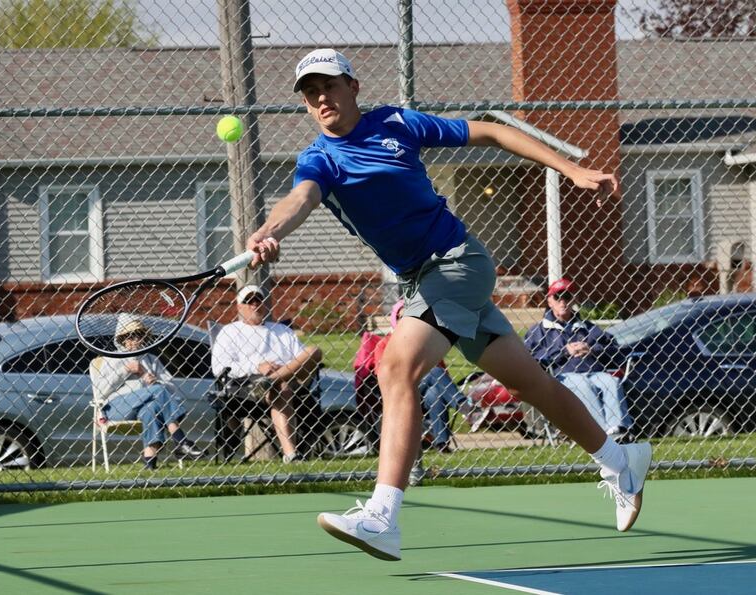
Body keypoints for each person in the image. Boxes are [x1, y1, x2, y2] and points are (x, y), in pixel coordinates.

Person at [245, 48, 652, 561]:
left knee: (396, 367)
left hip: (458, 261)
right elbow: (299, 197)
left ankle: (382, 515)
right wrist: (270, 229)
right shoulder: (320, 159)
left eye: (328, 85)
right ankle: (621, 459)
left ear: (353, 86)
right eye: (310, 92)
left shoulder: (397, 124)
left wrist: (569, 169)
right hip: (424, 278)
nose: (320, 98)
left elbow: (491, 132)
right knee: (531, 384)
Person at [210, 284, 323, 463]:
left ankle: (272, 380)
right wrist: (257, 366)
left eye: (258, 300)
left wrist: (280, 370)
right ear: (239, 307)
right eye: (249, 301)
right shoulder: (230, 332)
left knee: (314, 351)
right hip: (249, 387)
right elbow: (219, 367)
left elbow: (302, 358)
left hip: (294, 380)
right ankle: (291, 454)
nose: (255, 304)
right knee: (282, 387)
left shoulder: (282, 330)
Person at [524, 278, 633, 439]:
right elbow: (532, 359)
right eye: (557, 297)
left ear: (573, 299)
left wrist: (591, 349)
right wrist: (563, 351)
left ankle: (619, 429)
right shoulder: (539, 331)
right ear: (549, 301)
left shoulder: (587, 327)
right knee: (583, 385)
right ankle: (600, 434)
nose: (563, 302)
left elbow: (614, 349)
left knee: (611, 381)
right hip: (562, 376)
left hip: (594, 372)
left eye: (567, 297)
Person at [94, 316, 204, 470]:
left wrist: (153, 382)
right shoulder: (111, 358)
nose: (135, 340)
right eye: (130, 336)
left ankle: (149, 464)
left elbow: (170, 388)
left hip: (144, 406)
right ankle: (181, 440)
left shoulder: (151, 360)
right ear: (122, 339)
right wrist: (125, 370)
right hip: (116, 408)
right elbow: (100, 391)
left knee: (151, 408)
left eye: (139, 335)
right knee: (158, 391)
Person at [373, 300, 470, 452]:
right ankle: (465, 406)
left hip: (423, 392)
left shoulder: (427, 341)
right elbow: (383, 375)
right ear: (395, 319)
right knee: (436, 372)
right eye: (401, 318)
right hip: (400, 390)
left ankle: (441, 444)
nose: (406, 322)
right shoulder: (385, 343)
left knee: (435, 393)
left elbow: (444, 373)